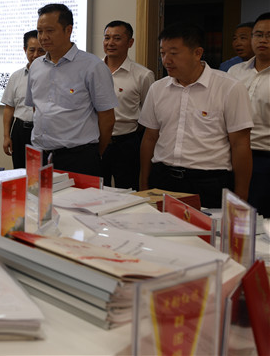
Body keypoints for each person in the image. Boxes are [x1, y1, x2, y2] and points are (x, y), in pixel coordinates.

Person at [139, 23, 253, 208]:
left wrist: (240, 196)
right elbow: (150, 137)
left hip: (208, 182)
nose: (166, 60)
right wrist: (144, 182)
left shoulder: (229, 88)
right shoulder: (157, 89)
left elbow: (240, 144)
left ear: (197, 53)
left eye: (174, 53)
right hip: (163, 178)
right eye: (162, 53)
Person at [25, 3, 117, 176]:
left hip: (78, 157)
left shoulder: (92, 66)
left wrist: (94, 153)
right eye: (40, 31)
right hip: (40, 155)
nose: (43, 37)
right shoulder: (36, 66)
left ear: (68, 30)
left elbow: (107, 119)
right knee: (38, 195)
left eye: (50, 31)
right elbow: (36, 108)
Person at [100, 20, 155, 189]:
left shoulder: (143, 75)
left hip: (126, 144)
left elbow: (148, 116)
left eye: (117, 38)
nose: (110, 43)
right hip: (96, 141)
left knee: (128, 190)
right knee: (96, 190)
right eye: (107, 38)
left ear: (130, 42)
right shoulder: (93, 70)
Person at [228, 12, 270, 216]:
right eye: (259, 35)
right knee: (233, 216)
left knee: (261, 218)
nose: (263, 40)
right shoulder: (234, 72)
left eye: (269, 36)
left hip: (264, 157)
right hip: (231, 155)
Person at [2, 30, 44, 169]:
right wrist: (6, 136)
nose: (36, 55)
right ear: (25, 50)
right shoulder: (16, 76)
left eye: (41, 50)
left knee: (40, 173)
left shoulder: (52, 76)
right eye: (32, 50)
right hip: (20, 131)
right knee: (19, 171)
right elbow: (9, 108)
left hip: (42, 131)